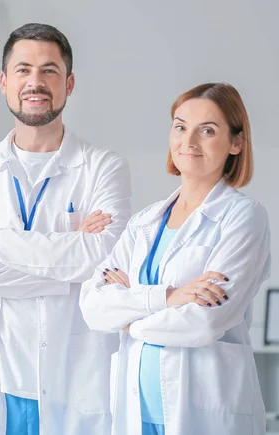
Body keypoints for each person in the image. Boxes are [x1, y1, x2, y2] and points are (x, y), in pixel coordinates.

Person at [0, 23, 131, 435]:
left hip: (73, 373)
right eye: (23, 70)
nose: (35, 82)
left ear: (69, 83)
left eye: (49, 70)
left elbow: (103, 256)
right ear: (4, 82)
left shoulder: (104, 167)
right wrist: (67, 260)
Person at [80, 82, 270, 435]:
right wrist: (168, 297)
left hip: (204, 412)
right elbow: (93, 306)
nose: (189, 141)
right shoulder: (145, 222)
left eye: (208, 130)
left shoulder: (244, 217)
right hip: (137, 411)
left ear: (236, 142)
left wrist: (130, 322)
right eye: (181, 127)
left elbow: (204, 323)